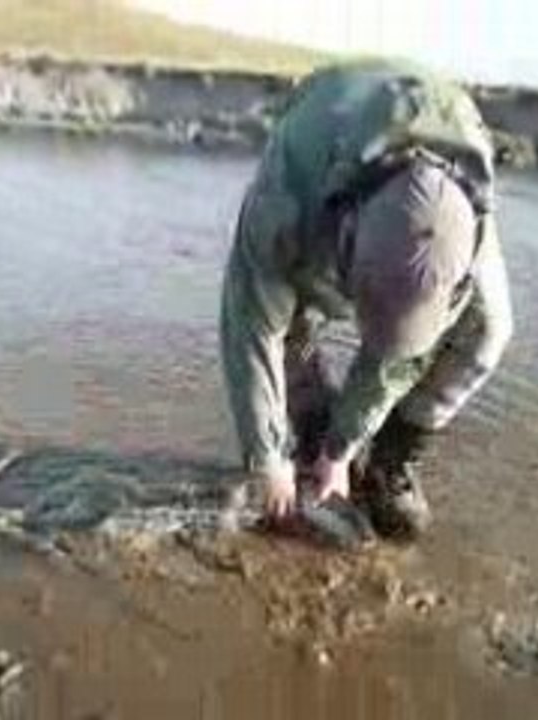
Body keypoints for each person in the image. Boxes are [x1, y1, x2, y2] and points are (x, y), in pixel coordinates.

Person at [219, 59, 513, 540]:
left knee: (488, 331)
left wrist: (343, 449)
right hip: (324, 141)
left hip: (445, 163)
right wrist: (266, 458)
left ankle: (389, 461)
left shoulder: (465, 245)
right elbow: (252, 327)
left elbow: (398, 358)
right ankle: (312, 420)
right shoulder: (287, 201)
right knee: (286, 306)